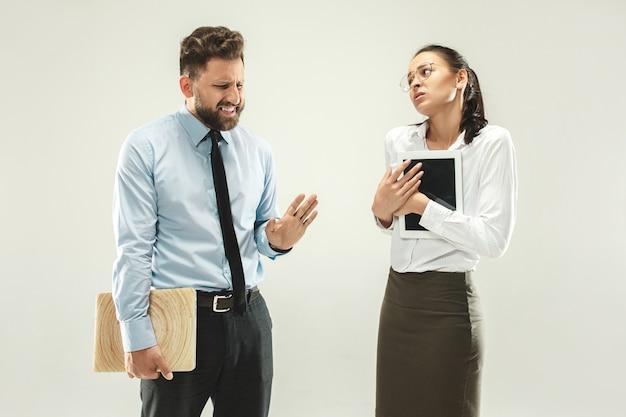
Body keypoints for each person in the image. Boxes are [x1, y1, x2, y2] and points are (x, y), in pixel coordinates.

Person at [112, 26, 318, 417]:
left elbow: (259, 230)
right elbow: (133, 249)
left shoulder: (258, 150)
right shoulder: (146, 148)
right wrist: (136, 336)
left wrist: (278, 240)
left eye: (240, 84)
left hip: (250, 319)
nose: (236, 98)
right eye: (222, 85)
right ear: (186, 86)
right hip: (179, 319)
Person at [371, 45, 517, 417]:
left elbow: (493, 239)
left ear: (460, 78)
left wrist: (423, 206)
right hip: (399, 300)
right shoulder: (399, 141)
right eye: (410, 79)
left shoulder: (492, 143)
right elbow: (398, 226)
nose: (415, 83)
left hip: (449, 305)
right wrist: (382, 214)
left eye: (426, 71)